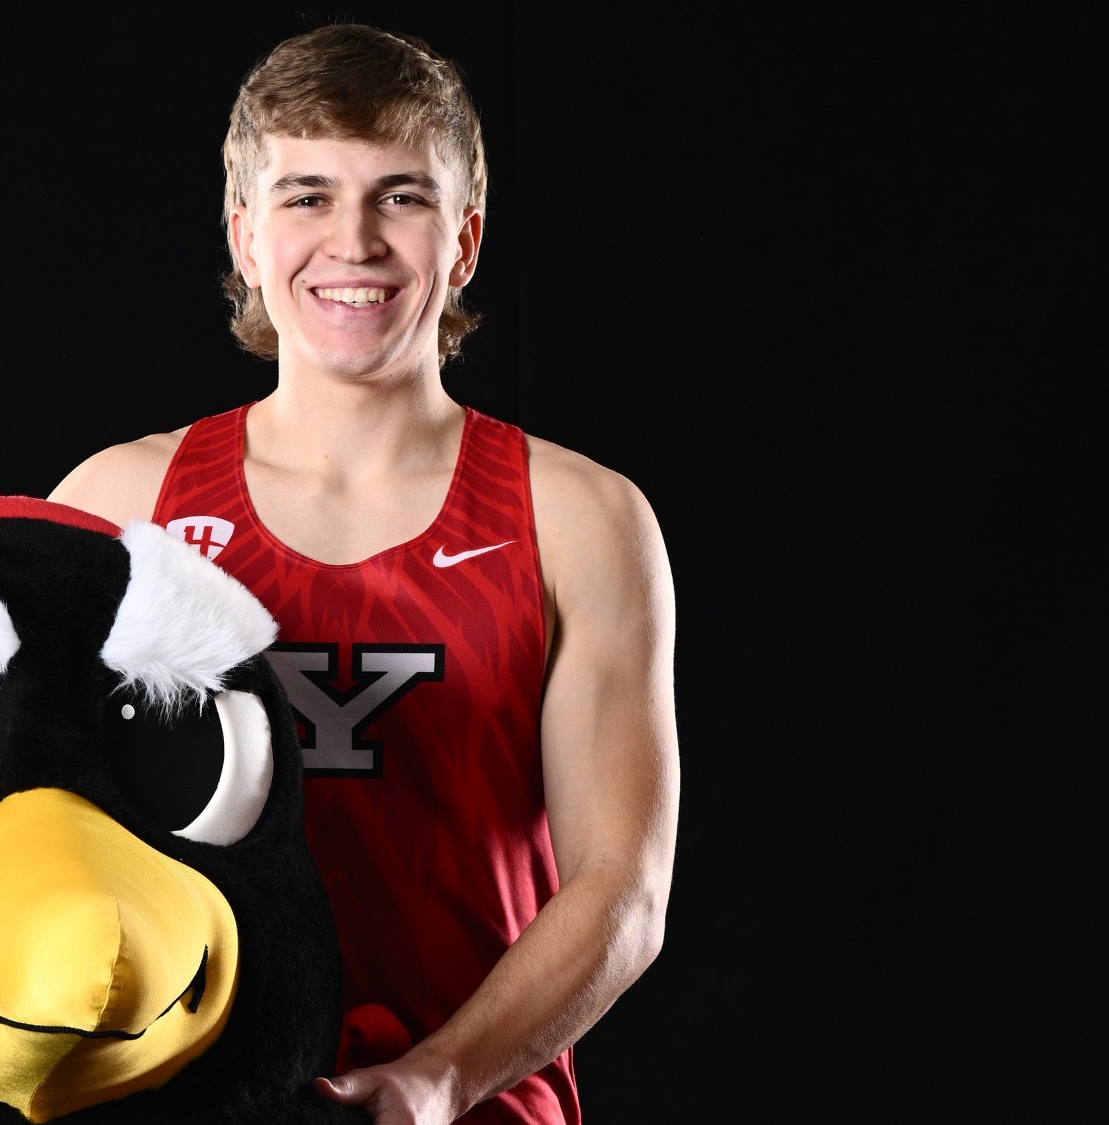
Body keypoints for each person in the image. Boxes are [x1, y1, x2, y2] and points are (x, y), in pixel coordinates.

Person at [49, 24, 677, 1125]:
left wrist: (439, 1076)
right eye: (304, 197)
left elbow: (619, 891)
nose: (352, 241)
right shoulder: (117, 504)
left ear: (464, 238)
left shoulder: (579, 517)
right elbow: (43, 835)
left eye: (399, 197)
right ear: (245, 236)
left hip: (474, 1106)